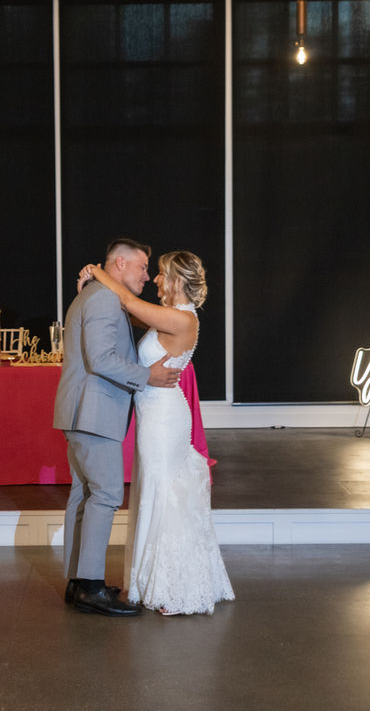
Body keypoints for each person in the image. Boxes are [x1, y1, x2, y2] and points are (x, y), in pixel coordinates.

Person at [79, 251, 234, 615]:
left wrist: (97, 270)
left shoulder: (182, 318)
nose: (156, 280)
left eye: (162, 274)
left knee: (161, 492)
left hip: (164, 418)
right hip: (154, 414)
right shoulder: (171, 315)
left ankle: (171, 588)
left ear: (177, 280)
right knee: (153, 489)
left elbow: (128, 301)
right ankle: (148, 581)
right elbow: (128, 310)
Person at [53, 239, 181, 617]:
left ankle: (79, 582)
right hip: (93, 414)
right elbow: (102, 359)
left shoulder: (97, 295)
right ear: (120, 264)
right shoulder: (104, 299)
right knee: (106, 495)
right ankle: (91, 588)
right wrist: (147, 376)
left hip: (82, 413)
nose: (146, 276)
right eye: (142, 267)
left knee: (84, 496)